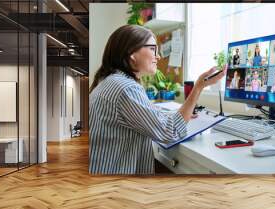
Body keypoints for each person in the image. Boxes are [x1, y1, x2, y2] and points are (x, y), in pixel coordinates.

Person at [89, 25, 225, 175]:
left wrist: (179, 114)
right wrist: (199, 86)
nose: (158, 56)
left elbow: (150, 114)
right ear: (131, 53)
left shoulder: (110, 81)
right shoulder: (126, 88)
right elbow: (170, 132)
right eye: (153, 49)